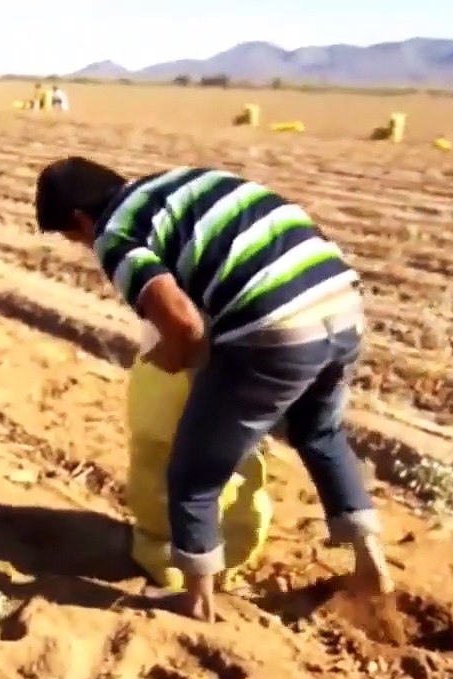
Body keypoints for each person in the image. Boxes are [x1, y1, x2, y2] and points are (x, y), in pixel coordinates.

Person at [34, 158, 395, 623]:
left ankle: (196, 599)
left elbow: (183, 324)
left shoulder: (115, 233)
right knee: (320, 434)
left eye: (72, 236)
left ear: (80, 220)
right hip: (342, 304)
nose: (82, 245)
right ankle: (370, 562)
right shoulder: (178, 184)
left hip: (276, 330)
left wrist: (173, 358)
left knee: (191, 474)